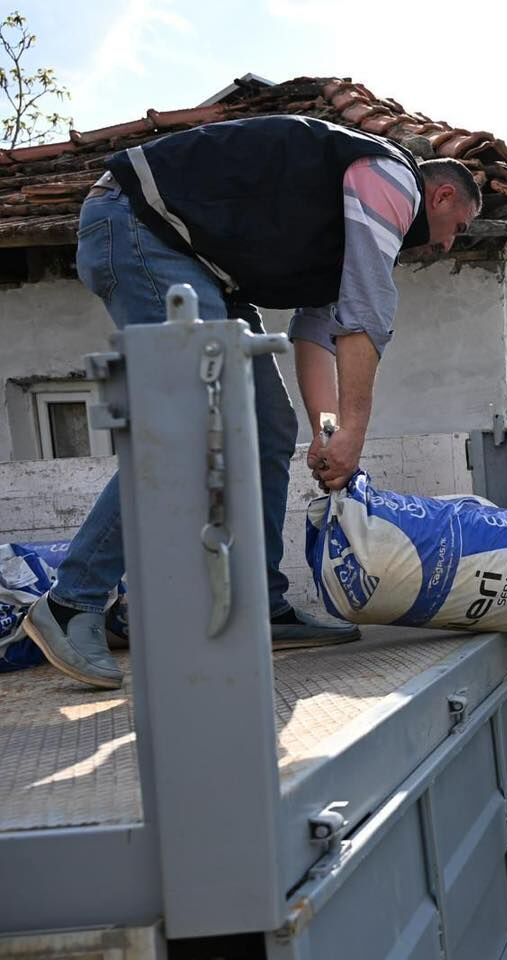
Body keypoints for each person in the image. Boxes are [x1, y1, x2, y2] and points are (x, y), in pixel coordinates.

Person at [22, 115, 482, 690]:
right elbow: (365, 314)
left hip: (201, 264)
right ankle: (70, 604)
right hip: (140, 225)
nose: (445, 245)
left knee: (267, 426)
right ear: (439, 194)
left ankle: (261, 603)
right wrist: (357, 433)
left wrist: (328, 432)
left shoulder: (356, 226)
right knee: (194, 420)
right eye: (455, 228)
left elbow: (318, 332)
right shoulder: (390, 178)